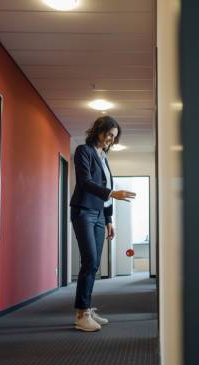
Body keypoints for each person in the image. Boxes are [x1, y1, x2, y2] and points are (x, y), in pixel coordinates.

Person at [70, 116, 136, 332]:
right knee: (89, 261)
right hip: (84, 211)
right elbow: (85, 182)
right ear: (98, 130)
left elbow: (106, 190)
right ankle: (81, 314)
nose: (111, 140)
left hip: (99, 214)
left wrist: (109, 220)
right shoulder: (84, 151)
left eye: (114, 137)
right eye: (109, 134)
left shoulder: (103, 157)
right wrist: (111, 193)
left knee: (94, 263)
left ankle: (87, 308)